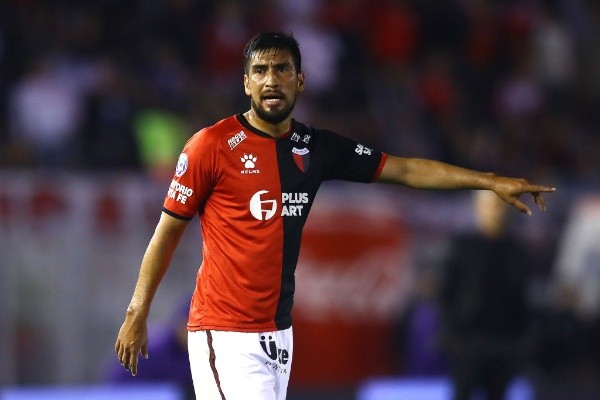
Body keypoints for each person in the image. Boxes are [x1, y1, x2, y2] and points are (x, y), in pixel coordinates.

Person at [115, 32, 555, 400]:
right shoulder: (210, 146)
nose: (272, 80)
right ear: (246, 83)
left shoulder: (317, 148)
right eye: (261, 71)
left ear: (301, 80)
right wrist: (138, 312)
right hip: (224, 333)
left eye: (282, 69)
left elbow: (404, 169)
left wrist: (488, 180)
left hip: (278, 337)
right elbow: (167, 233)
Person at [438, 190, 533, 400]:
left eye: (500, 206)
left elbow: (523, 299)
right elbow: (446, 292)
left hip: (503, 341)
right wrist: (452, 332)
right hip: (468, 339)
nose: (496, 212)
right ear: (478, 209)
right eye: (490, 206)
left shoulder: (518, 251)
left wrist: (520, 339)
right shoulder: (463, 247)